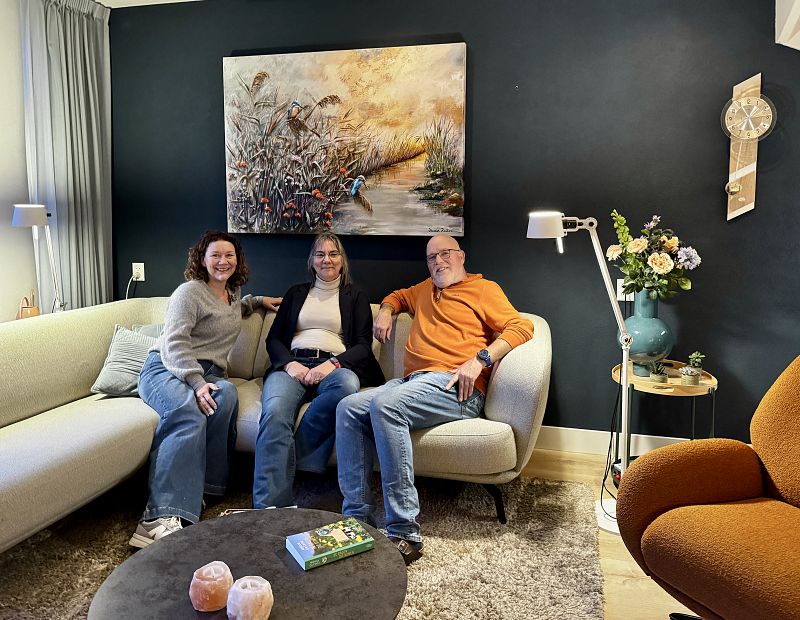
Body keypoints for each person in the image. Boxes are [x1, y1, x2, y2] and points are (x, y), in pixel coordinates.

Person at [335, 235, 533, 565]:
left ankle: (404, 532)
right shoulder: (424, 289)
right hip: (412, 383)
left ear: (461, 256)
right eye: (431, 257)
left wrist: (480, 359)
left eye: (445, 253)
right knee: (348, 407)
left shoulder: (484, 289)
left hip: (457, 387)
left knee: (386, 405)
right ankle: (356, 520)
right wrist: (385, 310)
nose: (438, 261)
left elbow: (521, 326)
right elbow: (397, 296)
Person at [129, 230, 281, 548]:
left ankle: (203, 490)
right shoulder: (189, 293)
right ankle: (156, 518)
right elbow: (174, 344)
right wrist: (197, 384)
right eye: (215, 255)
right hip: (167, 367)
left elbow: (231, 310)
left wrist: (257, 302)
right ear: (202, 259)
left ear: (237, 260)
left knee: (226, 397)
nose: (223, 261)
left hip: (208, 372)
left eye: (229, 255)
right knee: (188, 412)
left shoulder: (232, 293)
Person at [253, 233, 384, 509]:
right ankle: (268, 509)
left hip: (334, 366)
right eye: (320, 254)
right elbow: (274, 339)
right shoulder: (296, 293)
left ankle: (296, 455)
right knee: (275, 412)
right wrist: (289, 364)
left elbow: (363, 346)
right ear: (312, 260)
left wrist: (332, 364)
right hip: (292, 365)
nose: (327, 260)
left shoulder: (356, 296)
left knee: (347, 387)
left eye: (333, 254)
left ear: (342, 260)